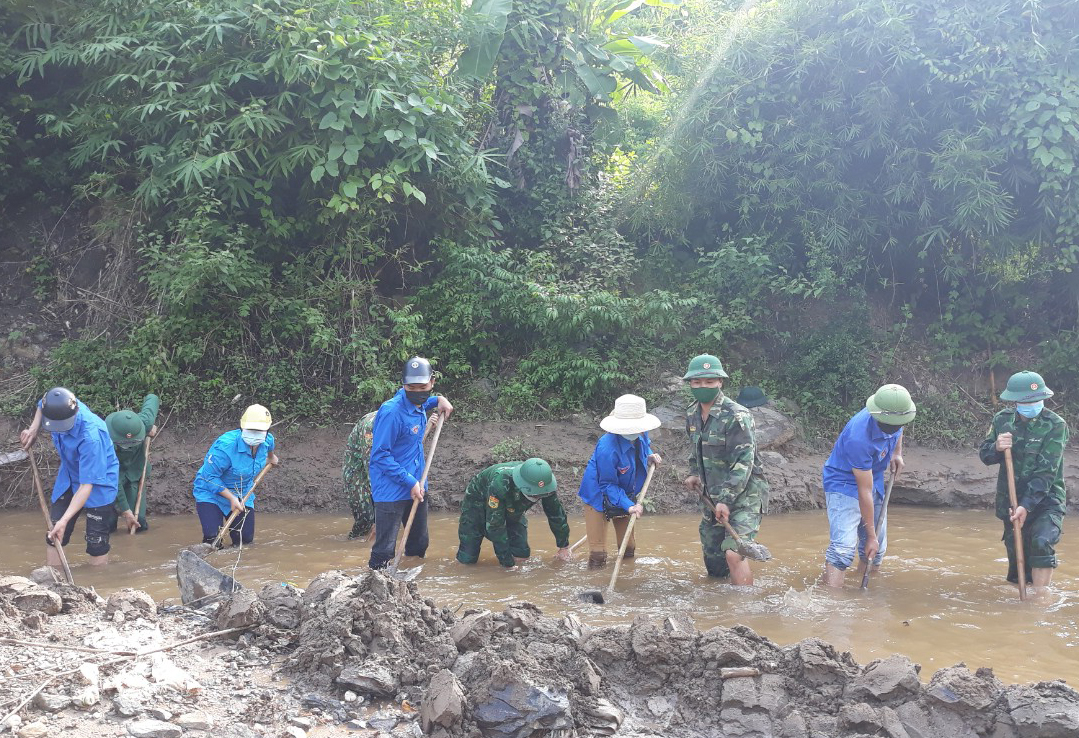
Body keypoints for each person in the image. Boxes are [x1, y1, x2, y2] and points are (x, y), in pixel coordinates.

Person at [682, 354, 769, 585]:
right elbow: (696, 449)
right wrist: (693, 473)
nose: (703, 387)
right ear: (690, 384)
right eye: (698, 382)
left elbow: (744, 462)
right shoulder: (692, 413)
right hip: (712, 497)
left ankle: (745, 609)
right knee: (715, 564)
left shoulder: (737, 415)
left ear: (720, 382)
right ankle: (721, 609)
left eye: (710, 382)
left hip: (744, 497)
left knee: (734, 552)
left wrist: (727, 500)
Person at [978, 371, 1067, 590]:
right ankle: (1021, 612)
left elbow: (1046, 472)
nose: (1032, 404)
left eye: (1037, 400)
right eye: (1027, 401)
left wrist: (1026, 505)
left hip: (1046, 500)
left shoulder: (1056, 425)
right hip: (1011, 498)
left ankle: (1040, 601)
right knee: (1017, 560)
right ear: (1015, 400)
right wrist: (997, 447)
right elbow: (985, 455)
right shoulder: (1002, 420)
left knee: (1042, 542)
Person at [820, 384, 914, 588]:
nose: (896, 427)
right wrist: (870, 535)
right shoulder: (858, 437)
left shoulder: (895, 414)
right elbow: (864, 491)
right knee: (843, 550)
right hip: (844, 481)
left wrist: (897, 453)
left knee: (875, 551)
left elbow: (898, 428)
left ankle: (862, 593)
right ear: (878, 416)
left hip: (874, 476)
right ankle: (830, 602)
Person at [368, 356, 454, 570]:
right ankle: (374, 588)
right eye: (411, 387)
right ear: (403, 385)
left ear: (432, 382)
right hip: (391, 489)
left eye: (423, 387)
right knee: (385, 550)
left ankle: (412, 588)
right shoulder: (391, 412)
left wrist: (439, 399)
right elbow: (380, 455)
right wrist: (409, 481)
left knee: (419, 544)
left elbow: (425, 400)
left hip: (417, 483)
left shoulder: (419, 401)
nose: (417, 391)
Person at [20, 387, 119, 568]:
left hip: (98, 482)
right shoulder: (59, 402)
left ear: (75, 413)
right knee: (54, 533)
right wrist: (33, 430)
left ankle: (99, 585)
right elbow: (42, 406)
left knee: (96, 542)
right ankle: (53, 582)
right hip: (69, 474)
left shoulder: (91, 437)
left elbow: (86, 486)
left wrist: (66, 521)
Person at [577, 394, 662, 568]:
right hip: (598, 495)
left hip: (624, 490)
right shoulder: (607, 448)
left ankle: (627, 580)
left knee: (628, 547)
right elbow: (607, 484)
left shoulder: (641, 431)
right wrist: (629, 506)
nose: (636, 430)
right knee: (598, 554)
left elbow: (644, 446)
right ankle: (595, 585)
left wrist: (649, 456)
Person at [456, 458, 572, 568]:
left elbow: (556, 514)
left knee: (521, 552)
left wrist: (564, 546)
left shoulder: (546, 485)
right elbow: (495, 526)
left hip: (513, 505)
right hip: (477, 500)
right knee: (468, 556)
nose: (538, 497)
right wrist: (507, 564)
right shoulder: (501, 483)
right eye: (535, 494)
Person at [192, 404, 279, 547]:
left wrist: (271, 458)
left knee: (244, 540)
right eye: (251, 430)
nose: (255, 434)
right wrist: (231, 498)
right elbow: (210, 477)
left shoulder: (267, 440)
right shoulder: (225, 447)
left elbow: (270, 451)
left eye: (259, 431)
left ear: (266, 430)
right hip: (211, 492)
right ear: (242, 427)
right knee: (212, 538)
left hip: (243, 493)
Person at [105, 394, 160, 534]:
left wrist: (148, 429)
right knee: (107, 525)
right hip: (110, 479)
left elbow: (152, 399)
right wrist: (125, 510)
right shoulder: (102, 442)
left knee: (138, 522)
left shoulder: (143, 422)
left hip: (135, 474)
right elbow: (113, 480)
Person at [343, 411, 377, 540]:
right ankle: (354, 544)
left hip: (383, 468)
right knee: (366, 518)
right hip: (358, 472)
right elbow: (372, 466)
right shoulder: (371, 425)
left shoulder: (401, 419)